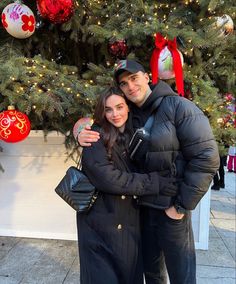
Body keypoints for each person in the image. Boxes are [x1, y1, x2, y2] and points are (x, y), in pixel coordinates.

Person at [78, 60, 220, 284]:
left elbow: (207, 159)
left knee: (182, 277)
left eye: (134, 78)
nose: (131, 86)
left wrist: (181, 207)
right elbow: (103, 118)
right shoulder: (130, 111)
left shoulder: (180, 107)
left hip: (171, 210)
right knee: (152, 275)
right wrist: (79, 132)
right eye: (124, 83)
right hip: (141, 211)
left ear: (147, 77)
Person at [77, 86, 178, 284]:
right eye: (108, 109)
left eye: (120, 107)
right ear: (102, 112)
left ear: (128, 108)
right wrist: (156, 182)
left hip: (130, 223)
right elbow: (110, 179)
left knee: (128, 275)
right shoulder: (95, 136)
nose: (115, 114)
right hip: (99, 224)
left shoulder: (137, 133)